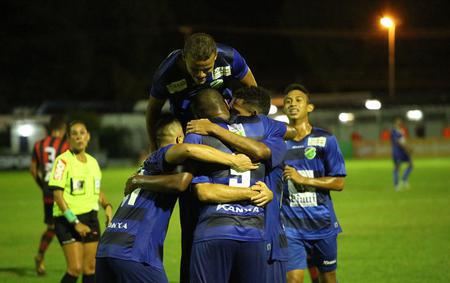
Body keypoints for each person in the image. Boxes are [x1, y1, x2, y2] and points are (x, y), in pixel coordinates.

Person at [95, 114, 262, 283]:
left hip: (107, 247)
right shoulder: (163, 154)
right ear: (179, 138)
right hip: (133, 250)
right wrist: (232, 160)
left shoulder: (147, 167)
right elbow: (186, 155)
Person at [183, 88, 287, 283]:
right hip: (256, 231)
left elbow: (203, 191)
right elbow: (282, 138)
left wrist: (211, 129)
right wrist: (255, 193)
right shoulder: (265, 128)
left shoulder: (198, 134)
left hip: (213, 229)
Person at [146, 32, 257, 152]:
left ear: (215, 56)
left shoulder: (230, 57)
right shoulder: (166, 74)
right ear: (184, 58)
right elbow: (153, 110)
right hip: (187, 123)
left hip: (223, 117)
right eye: (194, 69)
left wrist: (257, 123)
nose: (201, 75)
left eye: (206, 69)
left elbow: (253, 90)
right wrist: (153, 145)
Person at [281, 84, 346, 283]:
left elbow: (339, 182)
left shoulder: (325, 139)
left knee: (328, 278)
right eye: (288, 101)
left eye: (298, 100)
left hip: (322, 224)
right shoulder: (277, 142)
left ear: (309, 107)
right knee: (293, 279)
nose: (293, 104)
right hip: (290, 226)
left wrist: (304, 179)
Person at [48, 121, 113, 283]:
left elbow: (96, 191)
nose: (79, 137)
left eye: (82, 133)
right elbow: (57, 196)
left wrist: (107, 206)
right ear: (68, 139)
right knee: (75, 269)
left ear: (88, 137)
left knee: (90, 268)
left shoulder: (93, 163)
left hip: (90, 219)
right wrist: (75, 222)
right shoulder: (62, 162)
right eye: (74, 134)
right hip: (67, 220)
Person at [30, 114, 70, 275]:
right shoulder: (66, 146)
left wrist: (43, 186)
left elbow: (33, 171)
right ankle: (76, 262)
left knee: (52, 227)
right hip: (64, 192)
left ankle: (40, 256)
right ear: (63, 129)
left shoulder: (38, 145)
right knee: (74, 224)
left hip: (47, 191)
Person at [391, 118, 413, 191]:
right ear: (395, 124)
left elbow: (402, 141)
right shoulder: (394, 132)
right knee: (397, 168)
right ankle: (397, 185)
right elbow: (398, 142)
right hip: (397, 152)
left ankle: (403, 180)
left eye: (400, 123)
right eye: (398, 123)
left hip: (402, 152)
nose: (399, 124)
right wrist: (408, 147)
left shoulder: (401, 131)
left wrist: (407, 148)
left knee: (410, 165)